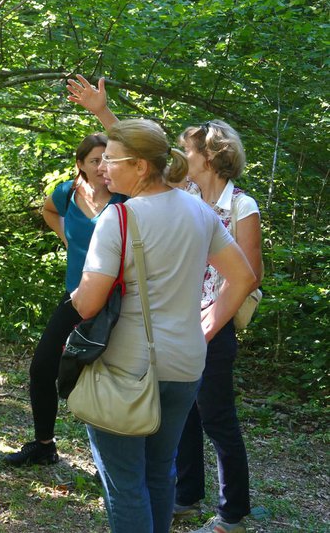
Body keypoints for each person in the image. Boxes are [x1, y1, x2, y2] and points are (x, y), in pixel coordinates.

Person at [68, 75, 262, 533]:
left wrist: (71, 310)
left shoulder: (121, 216)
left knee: (126, 481)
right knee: (160, 472)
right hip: (185, 361)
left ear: (137, 166)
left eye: (111, 162)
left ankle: (213, 512)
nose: (103, 169)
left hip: (130, 366)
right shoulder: (197, 208)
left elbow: (91, 299)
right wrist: (205, 328)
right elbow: (244, 278)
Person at [5, 133, 125, 467]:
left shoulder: (125, 198)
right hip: (76, 295)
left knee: (112, 377)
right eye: (94, 160)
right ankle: (44, 445)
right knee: (43, 367)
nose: (102, 167)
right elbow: (48, 209)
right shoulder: (67, 193)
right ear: (80, 165)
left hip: (117, 303)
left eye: (107, 159)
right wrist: (66, 237)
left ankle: (119, 460)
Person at [172, 121, 262, 533]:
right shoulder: (185, 197)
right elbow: (143, 156)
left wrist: (209, 327)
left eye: (186, 151)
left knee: (216, 418)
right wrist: (103, 114)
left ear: (208, 156)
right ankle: (186, 497)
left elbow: (249, 275)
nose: (179, 158)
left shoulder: (242, 206)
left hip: (214, 324)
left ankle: (232, 515)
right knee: (183, 414)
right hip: (179, 320)